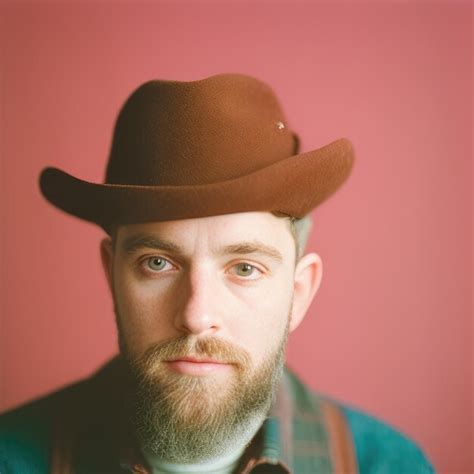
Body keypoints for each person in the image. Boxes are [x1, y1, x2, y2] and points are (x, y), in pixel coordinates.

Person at [0, 73, 435, 473]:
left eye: (245, 268)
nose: (196, 314)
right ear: (110, 273)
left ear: (299, 292)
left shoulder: (389, 465)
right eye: (157, 263)